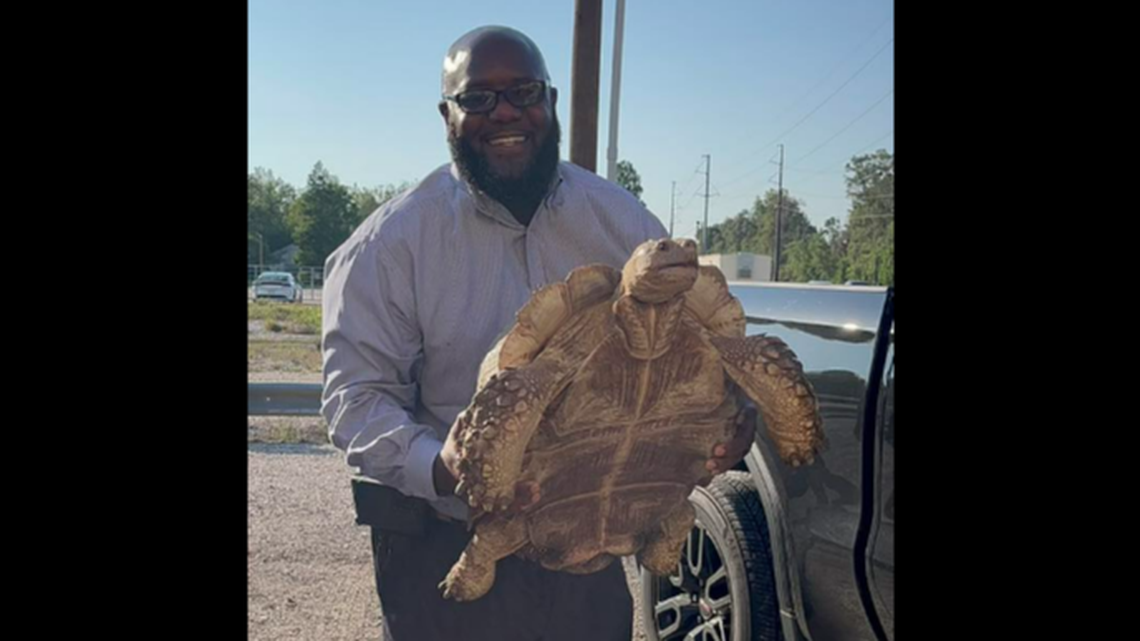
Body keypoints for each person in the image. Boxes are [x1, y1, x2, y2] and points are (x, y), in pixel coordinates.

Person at [320, 25, 754, 641]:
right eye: (477, 99)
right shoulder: (388, 246)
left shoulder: (621, 221)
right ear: (446, 114)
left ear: (549, 102)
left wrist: (734, 416)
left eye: (523, 93)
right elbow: (354, 400)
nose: (504, 113)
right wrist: (441, 467)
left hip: (592, 538)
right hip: (447, 539)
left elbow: (702, 342)